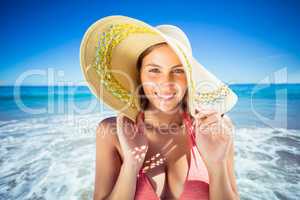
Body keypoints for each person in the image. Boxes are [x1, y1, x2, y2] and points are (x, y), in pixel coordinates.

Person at [80, 15, 239, 200]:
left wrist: (217, 165)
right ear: (139, 75)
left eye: (178, 71)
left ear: (190, 78)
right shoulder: (112, 132)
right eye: (154, 70)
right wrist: (131, 166)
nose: (166, 82)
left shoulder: (216, 129)